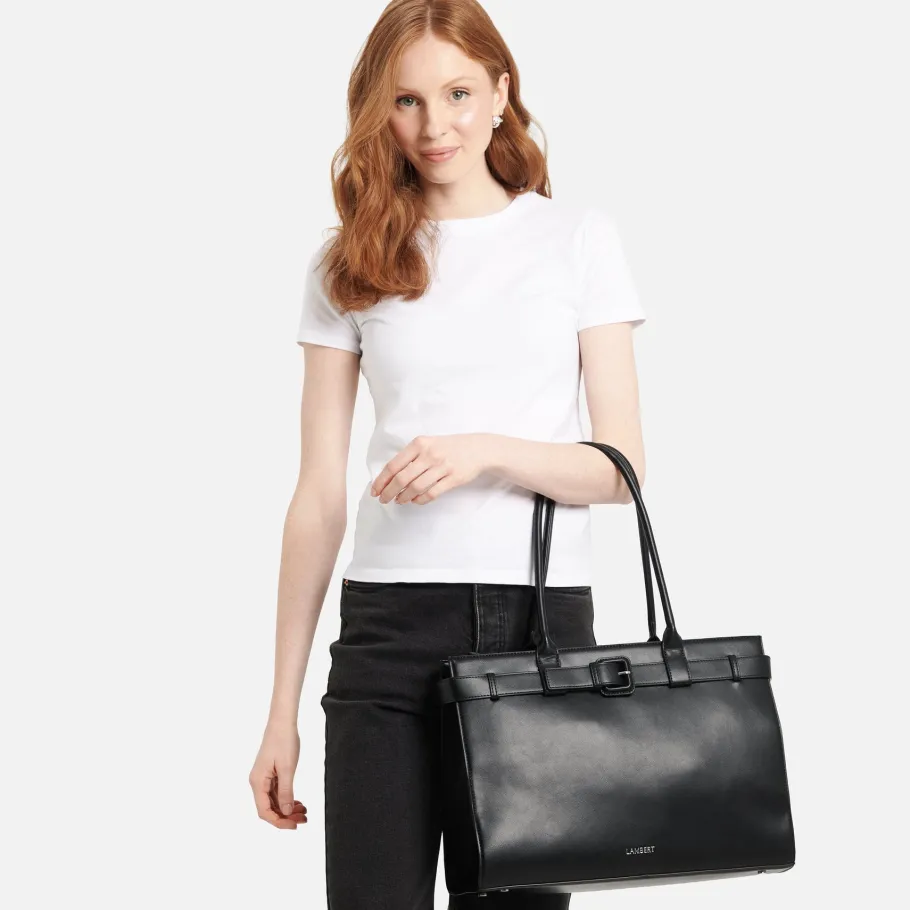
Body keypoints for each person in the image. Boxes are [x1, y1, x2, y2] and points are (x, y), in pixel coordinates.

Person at [249, 1, 647, 907]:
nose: (436, 126)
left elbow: (620, 468)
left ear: (502, 93)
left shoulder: (576, 239)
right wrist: (280, 713)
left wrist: (485, 453)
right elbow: (317, 497)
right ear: (377, 112)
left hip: (539, 630)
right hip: (386, 635)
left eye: (460, 93)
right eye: (407, 101)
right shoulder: (348, 262)